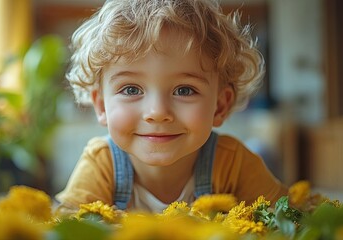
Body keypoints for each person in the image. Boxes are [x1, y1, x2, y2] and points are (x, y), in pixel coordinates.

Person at [56, 0, 287, 213]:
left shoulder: (234, 164)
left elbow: (289, 221)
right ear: (101, 106)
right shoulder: (102, 165)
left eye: (184, 90)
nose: (157, 112)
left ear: (219, 106)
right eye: (131, 90)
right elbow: (66, 230)